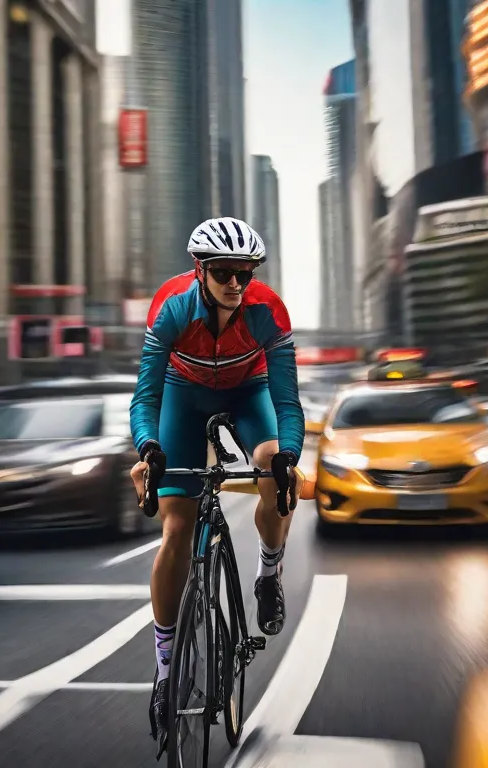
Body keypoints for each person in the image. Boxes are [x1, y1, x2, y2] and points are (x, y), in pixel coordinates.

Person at [128, 216, 305, 756]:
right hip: (184, 395)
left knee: (275, 465)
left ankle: (268, 573)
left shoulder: (267, 312)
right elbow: (146, 397)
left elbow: (288, 401)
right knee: (177, 528)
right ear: (200, 270)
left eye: (245, 273)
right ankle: (164, 674)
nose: (236, 283)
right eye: (224, 272)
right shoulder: (172, 307)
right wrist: (148, 450)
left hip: (249, 391)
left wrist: (288, 456)